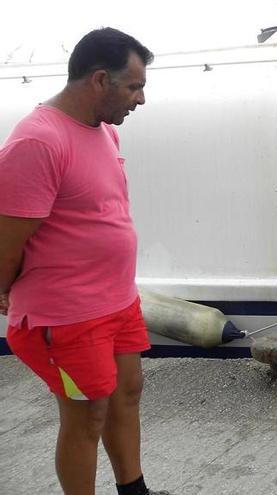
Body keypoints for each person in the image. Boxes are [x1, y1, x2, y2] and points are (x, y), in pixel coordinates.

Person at [0, 29, 169, 495]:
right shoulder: (37, 141)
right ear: (99, 80)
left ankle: (133, 489)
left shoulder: (105, 132)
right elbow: (6, 241)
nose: (141, 98)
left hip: (117, 301)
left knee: (126, 395)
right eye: (134, 87)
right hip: (65, 313)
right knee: (87, 413)